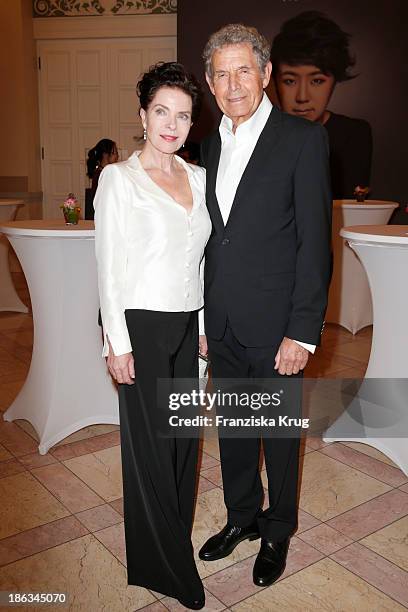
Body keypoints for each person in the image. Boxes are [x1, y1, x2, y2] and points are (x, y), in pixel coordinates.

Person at [198, 24, 332, 587]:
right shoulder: (203, 147)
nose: (233, 84)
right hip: (222, 322)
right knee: (233, 430)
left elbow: (314, 242)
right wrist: (202, 321)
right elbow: (206, 242)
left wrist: (302, 333)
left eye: (243, 70)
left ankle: (278, 530)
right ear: (209, 83)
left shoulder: (302, 140)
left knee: (277, 435)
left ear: (265, 74)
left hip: (277, 326)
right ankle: (242, 518)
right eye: (222, 74)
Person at [94, 62, 211, 610]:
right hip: (141, 326)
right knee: (150, 448)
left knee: (184, 443)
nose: (171, 124)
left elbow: (201, 262)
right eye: (161, 111)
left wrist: (205, 327)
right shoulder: (119, 179)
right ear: (143, 116)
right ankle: (166, 567)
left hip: (188, 324)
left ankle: (172, 542)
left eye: (182, 115)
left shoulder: (198, 177)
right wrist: (115, 342)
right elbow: (108, 267)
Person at [271, 11, 372, 199]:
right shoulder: (259, 135)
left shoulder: (353, 135)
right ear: (273, 81)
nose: (302, 97)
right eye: (290, 81)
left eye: (317, 81)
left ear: (334, 82)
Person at [85, 139, 119, 219]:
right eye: (115, 153)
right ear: (105, 155)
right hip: (103, 216)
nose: (117, 156)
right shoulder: (102, 174)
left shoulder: (103, 172)